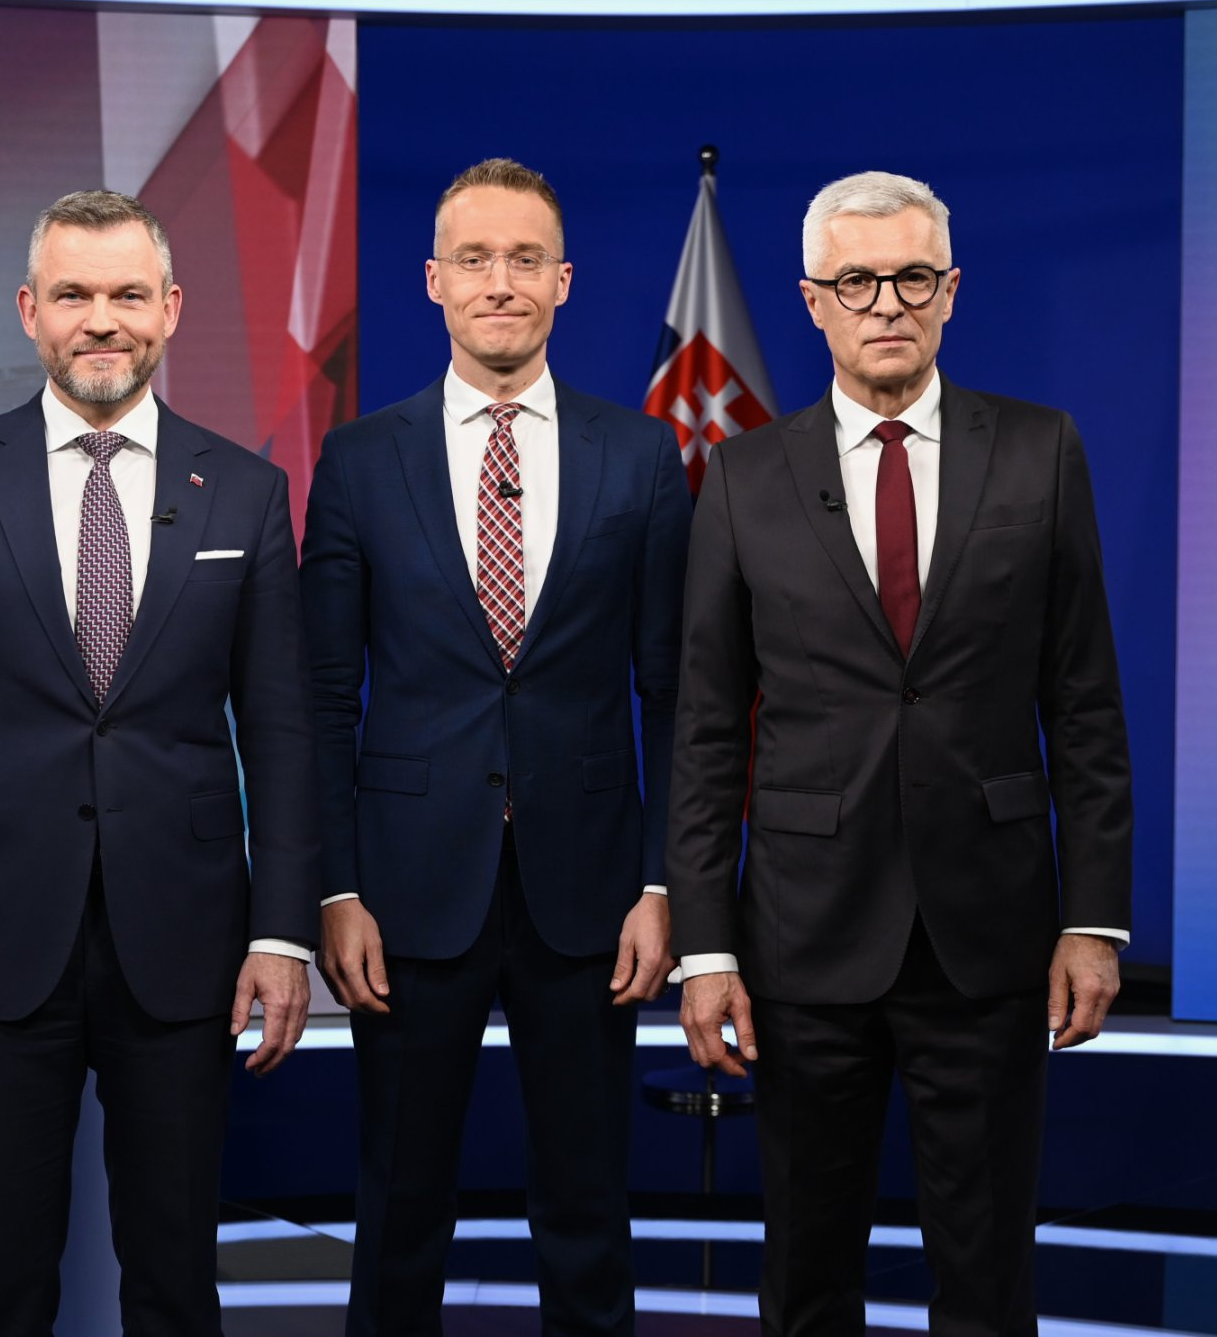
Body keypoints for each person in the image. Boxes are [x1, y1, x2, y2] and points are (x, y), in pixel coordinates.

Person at [0, 189, 319, 1337]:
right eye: (73, 295)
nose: (102, 320)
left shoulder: (245, 489)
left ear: (171, 309)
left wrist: (282, 932)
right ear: (29, 311)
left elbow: (283, 727)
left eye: (127, 294)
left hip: (187, 939)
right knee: (2, 1280)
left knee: (174, 1277)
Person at [669, 171, 1134, 1337]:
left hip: (989, 932)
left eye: (913, 278)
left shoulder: (1040, 451)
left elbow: (1085, 704)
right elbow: (708, 727)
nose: (887, 303)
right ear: (813, 302)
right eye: (857, 282)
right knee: (807, 1272)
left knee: (987, 1276)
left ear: (951, 291)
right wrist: (706, 948)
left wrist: (1095, 918)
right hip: (803, 937)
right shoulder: (743, 477)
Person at [301, 157, 691, 1337]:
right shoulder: (361, 459)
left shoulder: (642, 455)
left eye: (526, 259)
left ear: (564, 281)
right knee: (399, 1201)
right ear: (435, 280)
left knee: (587, 1200)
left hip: (591, 891)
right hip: (407, 892)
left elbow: (674, 693)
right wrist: (337, 888)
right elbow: (324, 698)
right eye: (475, 259)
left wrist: (663, 884)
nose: (501, 282)